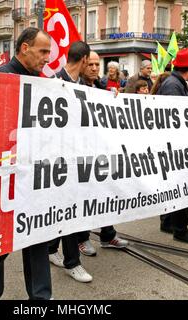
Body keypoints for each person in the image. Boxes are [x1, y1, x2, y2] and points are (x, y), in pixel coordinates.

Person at [0, 27, 53, 300]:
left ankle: (41, 299)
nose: (47, 57)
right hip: (5, 177)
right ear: (24, 48)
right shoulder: (0, 78)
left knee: (38, 242)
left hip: (34, 176)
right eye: (43, 51)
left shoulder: (44, 81)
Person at [48, 41, 93, 283]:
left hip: (78, 156)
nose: (94, 67)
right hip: (58, 160)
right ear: (84, 59)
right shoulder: (54, 83)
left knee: (67, 209)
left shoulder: (85, 85)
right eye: (91, 62)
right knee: (69, 211)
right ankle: (72, 262)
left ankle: (50, 249)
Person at [76, 50, 129, 257]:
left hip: (101, 151)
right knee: (85, 197)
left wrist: (114, 99)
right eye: (91, 64)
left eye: (98, 65)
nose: (95, 68)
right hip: (82, 153)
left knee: (106, 192)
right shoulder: (74, 87)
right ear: (82, 64)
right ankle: (81, 238)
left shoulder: (100, 87)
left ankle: (108, 235)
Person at [155, 48, 188, 245]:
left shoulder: (177, 83)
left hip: (178, 143)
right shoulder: (173, 85)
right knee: (178, 185)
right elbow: (173, 116)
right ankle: (180, 229)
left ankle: (168, 221)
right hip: (175, 145)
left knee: (176, 185)